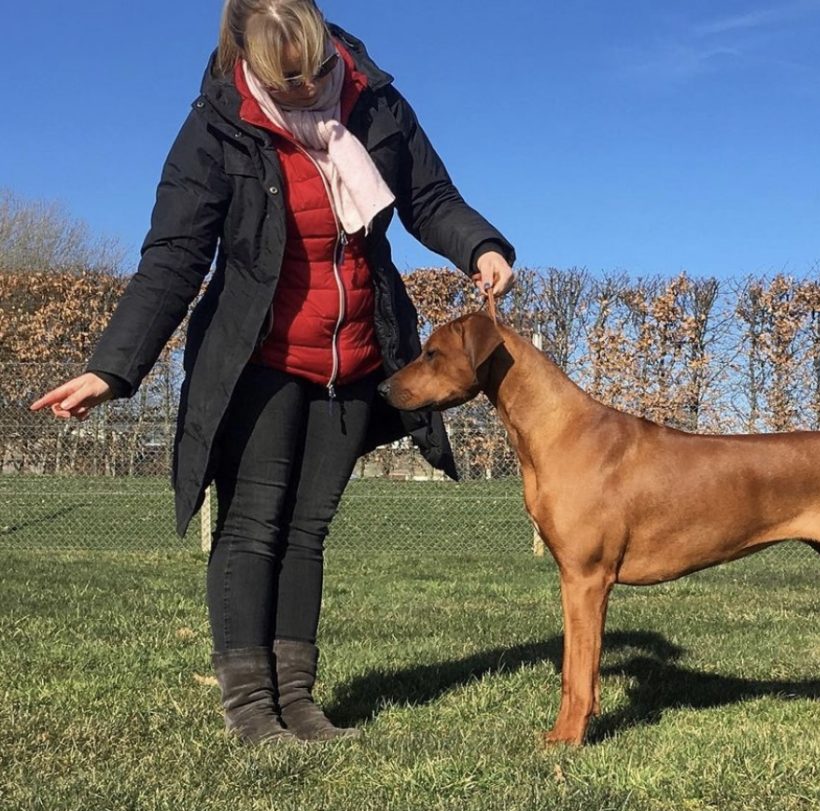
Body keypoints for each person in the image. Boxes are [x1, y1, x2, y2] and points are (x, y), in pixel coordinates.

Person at [32, 0, 515, 745]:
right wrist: (111, 369)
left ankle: (299, 698)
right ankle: (252, 710)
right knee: (254, 526)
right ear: (246, 62)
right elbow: (173, 258)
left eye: (313, 75)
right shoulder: (216, 126)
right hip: (260, 360)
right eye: (280, 82)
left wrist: (479, 244)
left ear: (331, 51)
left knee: (307, 531)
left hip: (353, 356)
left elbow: (428, 197)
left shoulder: (375, 100)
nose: (301, 93)